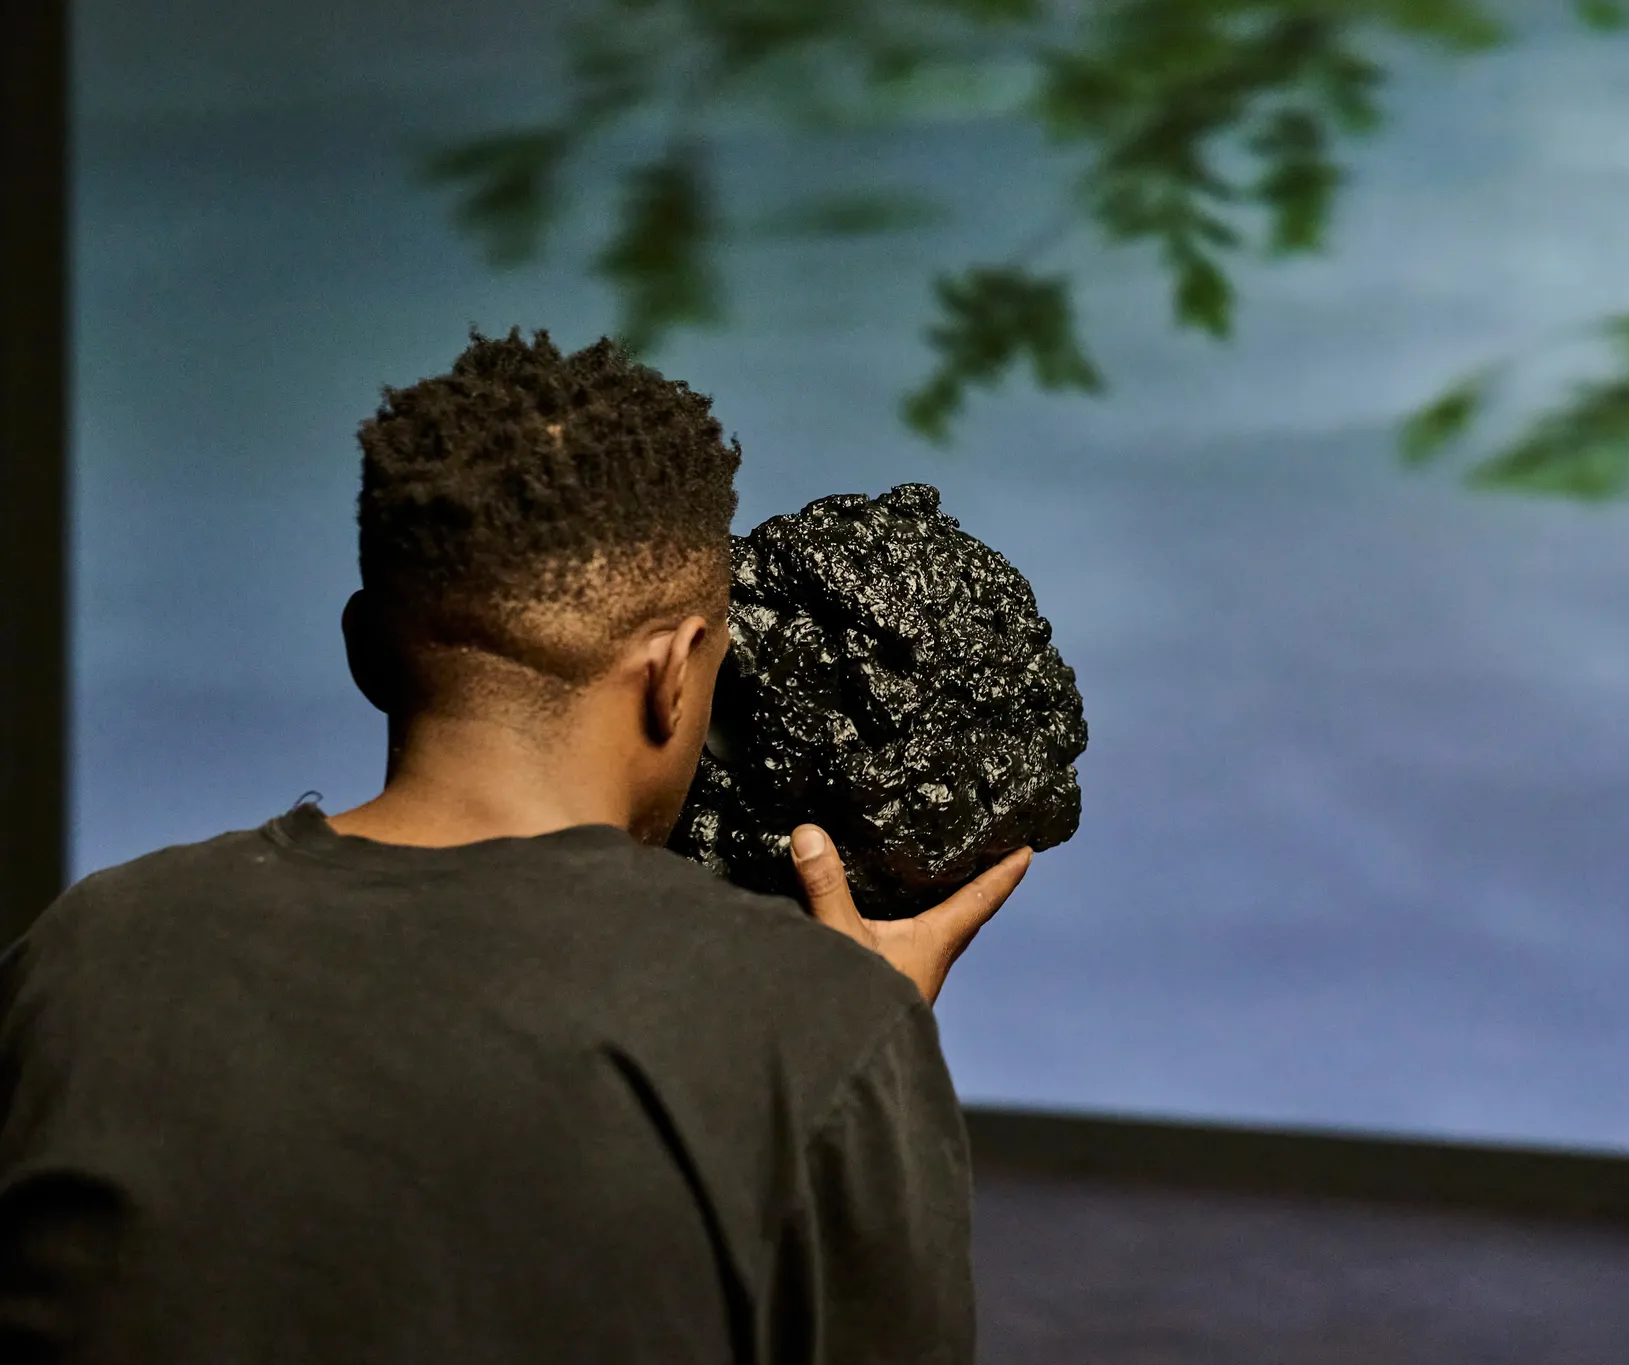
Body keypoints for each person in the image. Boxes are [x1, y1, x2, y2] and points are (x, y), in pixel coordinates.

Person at [0, 329, 1031, 1364]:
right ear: (675, 675)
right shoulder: (812, 1031)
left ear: (364, 648)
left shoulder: (86, 949)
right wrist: (854, 1035)